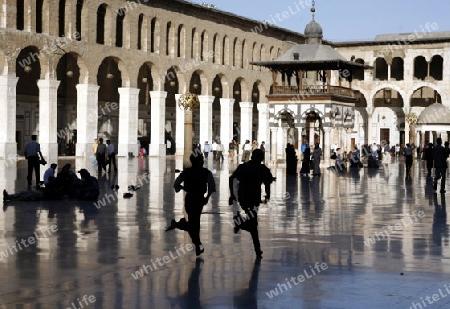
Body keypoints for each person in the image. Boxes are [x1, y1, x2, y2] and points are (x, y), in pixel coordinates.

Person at [229, 149, 273, 258]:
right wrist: (268, 195)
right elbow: (268, 181)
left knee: (253, 223)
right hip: (254, 198)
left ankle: (258, 250)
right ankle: (240, 223)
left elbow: (231, 178)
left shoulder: (243, 166)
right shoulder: (262, 169)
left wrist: (232, 195)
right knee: (253, 223)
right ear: (261, 158)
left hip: (243, 197)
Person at [170, 154, 216, 256]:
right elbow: (212, 186)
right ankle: (180, 225)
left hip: (189, 198)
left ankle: (198, 246)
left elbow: (176, 184)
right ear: (200, 161)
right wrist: (206, 198)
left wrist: (182, 188)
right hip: (199, 199)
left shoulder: (186, 172)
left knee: (193, 222)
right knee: (195, 223)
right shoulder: (206, 172)